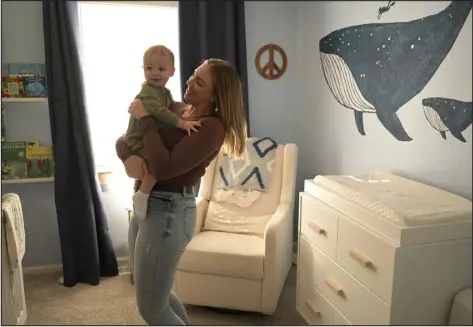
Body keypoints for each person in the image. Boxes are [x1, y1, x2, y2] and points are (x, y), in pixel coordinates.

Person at [115, 58, 248, 325]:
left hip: (169, 214)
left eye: (199, 81)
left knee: (151, 308)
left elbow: (164, 168)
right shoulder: (176, 109)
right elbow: (125, 139)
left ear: (216, 94)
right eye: (192, 75)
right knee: (153, 294)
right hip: (145, 203)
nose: (189, 81)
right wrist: (127, 156)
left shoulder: (211, 127)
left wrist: (146, 120)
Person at [124, 45, 201, 220]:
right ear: (143, 69)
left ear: (172, 71)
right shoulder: (149, 92)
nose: (155, 73)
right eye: (149, 68)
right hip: (137, 139)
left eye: (161, 69)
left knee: (155, 163)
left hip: (143, 139)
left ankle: (142, 193)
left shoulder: (164, 93)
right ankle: (142, 194)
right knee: (155, 164)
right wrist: (181, 123)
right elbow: (159, 111)